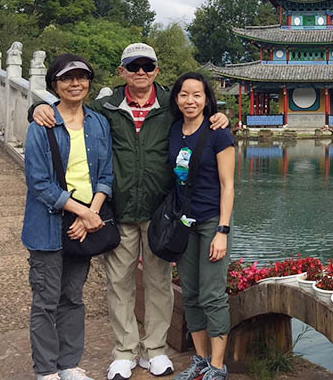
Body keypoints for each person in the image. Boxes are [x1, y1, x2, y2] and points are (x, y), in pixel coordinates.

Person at [31, 43, 229, 380]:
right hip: (119, 208)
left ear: (156, 70)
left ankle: (155, 349)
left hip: (161, 212)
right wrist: (37, 107)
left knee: (159, 282)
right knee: (118, 282)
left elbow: (202, 111)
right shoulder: (107, 107)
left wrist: (221, 115)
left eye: (147, 66)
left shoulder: (172, 103)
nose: (140, 72)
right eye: (133, 66)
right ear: (122, 71)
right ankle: (124, 351)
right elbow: (71, 110)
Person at [23, 54, 114, 380]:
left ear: (89, 82)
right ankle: (46, 370)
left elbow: (106, 174)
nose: (75, 83)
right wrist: (83, 211)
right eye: (67, 78)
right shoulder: (43, 124)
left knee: (73, 297)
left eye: (82, 77)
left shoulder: (98, 123)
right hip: (49, 223)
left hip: (84, 222)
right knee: (46, 299)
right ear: (54, 85)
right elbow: (39, 183)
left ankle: (69, 364)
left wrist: (92, 212)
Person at [168, 72, 235, 380]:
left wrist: (223, 231)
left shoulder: (219, 132)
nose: (190, 100)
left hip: (211, 221)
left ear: (207, 99)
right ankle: (201, 359)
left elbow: (228, 184)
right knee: (191, 293)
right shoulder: (173, 130)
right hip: (184, 222)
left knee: (212, 294)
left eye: (197, 95)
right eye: (184, 94)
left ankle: (219, 366)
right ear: (176, 98)